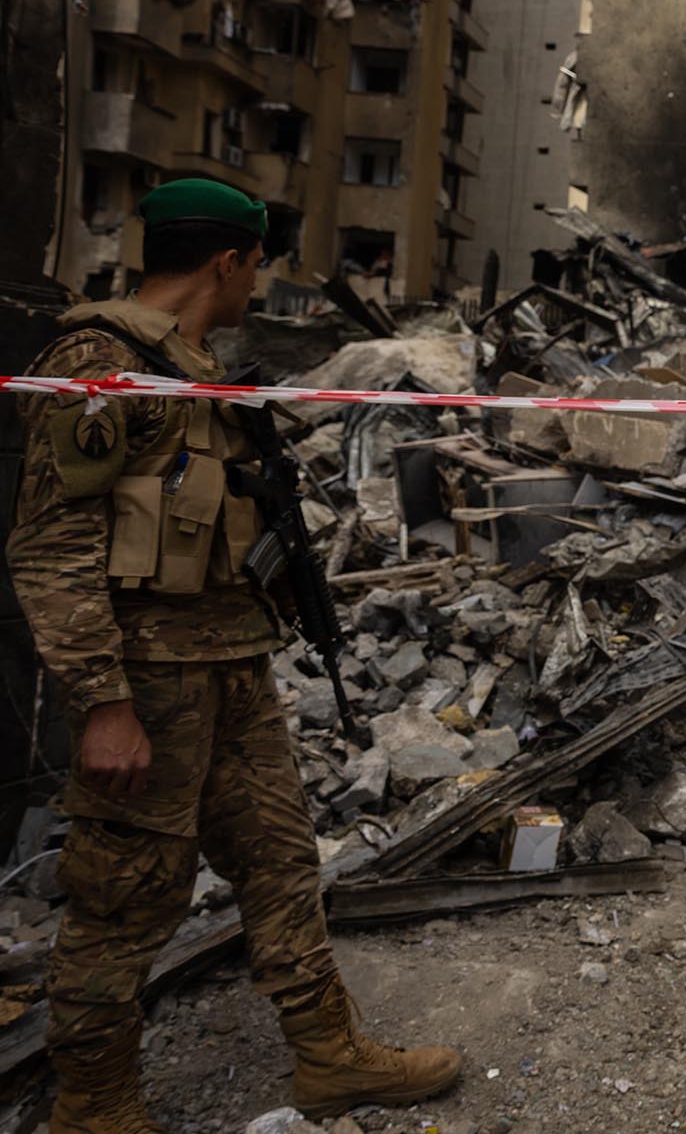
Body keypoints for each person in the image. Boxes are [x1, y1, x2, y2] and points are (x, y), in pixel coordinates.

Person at [7, 180, 461, 1131]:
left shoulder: (198, 367)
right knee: (124, 894)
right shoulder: (101, 363)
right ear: (230, 261)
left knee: (280, 860)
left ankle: (330, 1055)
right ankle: (94, 1105)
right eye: (258, 265)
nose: (259, 282)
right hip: (147, 681)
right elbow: (53, 545)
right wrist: (103, 702)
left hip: (229, 664)